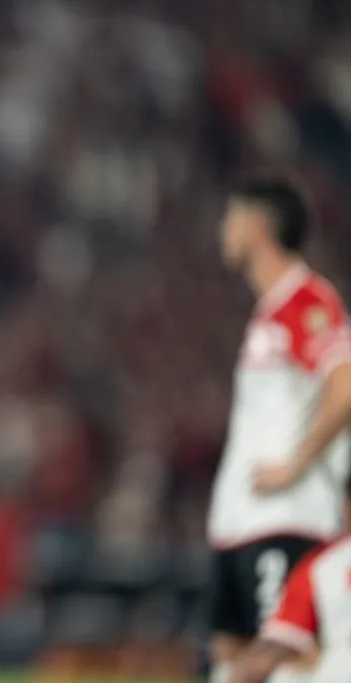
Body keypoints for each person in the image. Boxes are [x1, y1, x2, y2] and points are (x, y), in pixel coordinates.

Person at [207, 172, 351, 683]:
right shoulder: (269, 313)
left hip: (286, 517)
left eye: (230, 217)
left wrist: (297, 465)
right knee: (230, 663)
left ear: (255, 225)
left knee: (284, 665)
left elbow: (345, 383)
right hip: (240, 522)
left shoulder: (305, 299)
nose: (223, 230)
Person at [229, 477, 351, 683]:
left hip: (340, 670)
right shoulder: (324, 562)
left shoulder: (325, 563)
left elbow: (269, 653)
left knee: (282, 674)